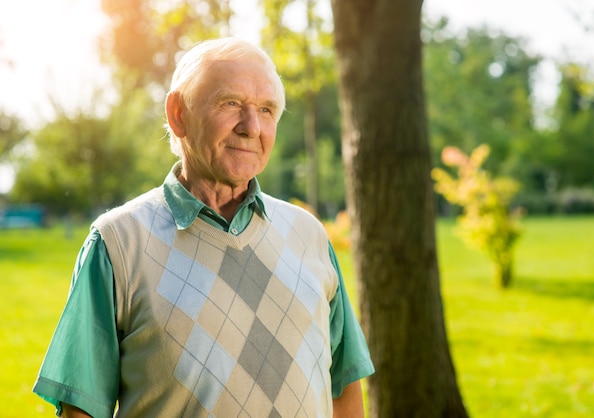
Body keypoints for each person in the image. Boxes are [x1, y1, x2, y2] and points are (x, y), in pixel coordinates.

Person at [33, 37, 374, 417]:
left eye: (266, 109)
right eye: (231, 103)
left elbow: (343, 389)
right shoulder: (118, 243)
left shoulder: (309, 235)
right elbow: (82, 410)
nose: (251, 126)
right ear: (179, 113)